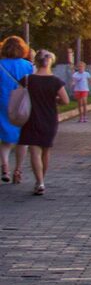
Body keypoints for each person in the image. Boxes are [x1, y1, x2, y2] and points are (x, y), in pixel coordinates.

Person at [18, 50, 68, 195]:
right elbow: (65, 100)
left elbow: (19, 96)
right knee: (46, 150)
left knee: (34, 150)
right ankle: (41, 180)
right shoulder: (56, 81)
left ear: (36, 61)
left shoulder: (27, 79)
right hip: (49, 118)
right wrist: (53, 98)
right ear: (50, 61)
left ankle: (39, 182)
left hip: (31, 118)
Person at [0, 35, 33, 185]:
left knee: (5, 139)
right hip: (22, 105)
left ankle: (5, 166)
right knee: (22, 140)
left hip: (3, 103)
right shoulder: (28, 66)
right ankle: (18, 170)